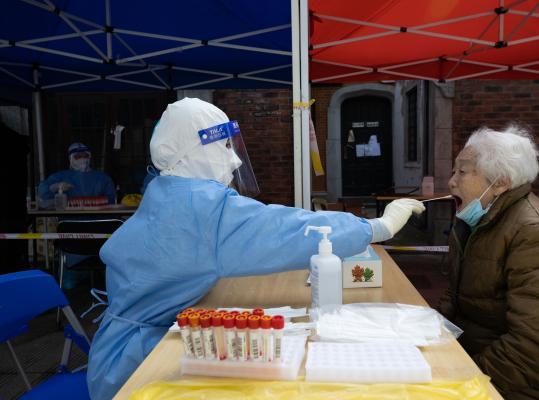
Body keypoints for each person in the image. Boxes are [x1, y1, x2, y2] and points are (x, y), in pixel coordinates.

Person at [86, 97, 425, 399]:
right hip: (136, 368)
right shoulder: (199, 208)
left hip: (123, 351)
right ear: (189, 152)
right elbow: (280, 228)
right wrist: (374, 227)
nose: (234, 160)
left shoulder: (169, 194)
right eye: (223, 147)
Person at [440, 125, 539, 400]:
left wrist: (463, 384)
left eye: (462, 172)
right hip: (482, 361)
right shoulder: (477, 222)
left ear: (500, 182)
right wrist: (427, 331)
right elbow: (455, 298)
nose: (451, 182)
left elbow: (536, 351)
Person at [37, 142, 116, 204]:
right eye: (77, 156)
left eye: (85, 156)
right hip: (69, 220)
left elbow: (111, 200)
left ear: (89, 157)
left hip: (97, 220)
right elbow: (42, 193)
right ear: (70, 159)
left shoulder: (102, 178)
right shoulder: (60, 177)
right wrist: (55, 187)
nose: (82, 159)